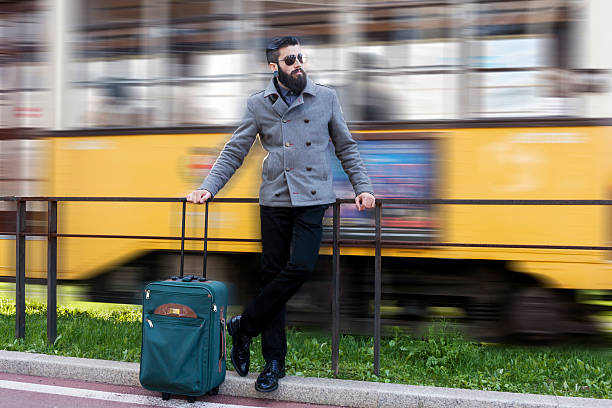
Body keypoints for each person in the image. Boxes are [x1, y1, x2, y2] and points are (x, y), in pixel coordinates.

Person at [186, 36, 375, 392]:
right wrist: (208, 187)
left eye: (300, 57)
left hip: (313, 199)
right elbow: (234, 150)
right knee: (272, 278)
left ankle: (244, 327)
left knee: (301, 267)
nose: (299, 64)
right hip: (274, 200)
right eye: (290, 60)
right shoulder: (260, 104)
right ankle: (273, 362)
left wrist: (362, 187)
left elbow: (346, 147)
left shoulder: (326, 98)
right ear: (274, 67)